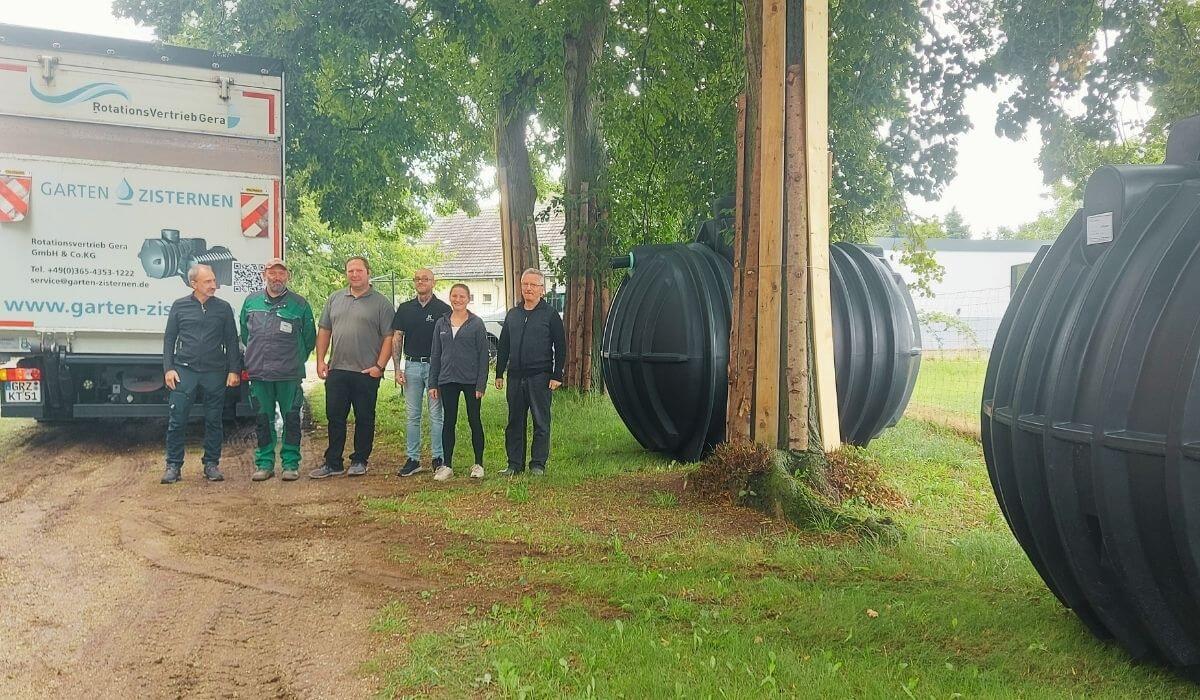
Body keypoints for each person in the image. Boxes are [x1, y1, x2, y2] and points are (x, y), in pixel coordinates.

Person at [309, 256, 396, 479]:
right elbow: (324, 330)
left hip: (366, 372)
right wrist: (320, 360)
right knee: (335, 417)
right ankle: (333, 462)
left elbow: (389, 337)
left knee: (364, 417)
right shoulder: (335, 299)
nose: (354, 274)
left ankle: (360, 460)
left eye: (359, 270)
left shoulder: (381, 303)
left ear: (368, 273)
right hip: (338, 370)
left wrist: (379, 366)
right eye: (350, 271)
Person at [160, 263, 242, 484]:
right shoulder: (180, 306)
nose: (214, 285)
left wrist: (234, 370)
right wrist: (168, 368)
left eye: (214, 280)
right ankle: (173, 466)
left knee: (214, 420)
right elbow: (169, 339)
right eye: (208, 281)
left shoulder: (223, 308)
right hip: (184, 371)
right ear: (193, 283)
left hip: (214, 372)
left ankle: (211, 464)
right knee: (177, 420)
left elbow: (232, 341)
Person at [240, 258, 317, 482]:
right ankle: (264, 464)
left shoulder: (299, 304)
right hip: (259, 374)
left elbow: (308, 339)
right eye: (272, 273)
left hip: (289, 375)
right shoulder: (251, 302)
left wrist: (295, 360)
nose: (277, 278)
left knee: (291, 418)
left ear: (288, 277)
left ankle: (290, 464)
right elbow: (245, 334)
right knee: (263, 420)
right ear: (265, 274)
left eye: (281, 274)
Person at [494, 268, 566, 477]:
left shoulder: (550, 315)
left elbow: (560, 346)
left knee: (540, 422)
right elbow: (504, 345)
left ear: (541, 290)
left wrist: (556, 374)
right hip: (515, 377)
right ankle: (514, 464)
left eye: (533, 285)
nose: (528, 288)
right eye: (525, 284)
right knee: (514, 422)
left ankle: (538, 464)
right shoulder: (513, 314)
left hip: (540, 377)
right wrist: (499, 373)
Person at [391, 268, 451, 477]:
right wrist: (398, 368)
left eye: (425, 279)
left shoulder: (444, 309)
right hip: (412, 366)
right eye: (417, 279)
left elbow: (449, 340)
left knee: (436, 415)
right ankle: (413, 459)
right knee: (412, 415)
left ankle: (438, 458)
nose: (421, 282)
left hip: (436, 367)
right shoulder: (405, 308)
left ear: (433, 282)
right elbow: (397, 337)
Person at [428, 283, 490, 481]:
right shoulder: (441, 323)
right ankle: (447, 465)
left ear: (468, 299)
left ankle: (478, 464)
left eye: (462, 296)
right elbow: (435, 354)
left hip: (471, 380)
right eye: (454, 296)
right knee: (449, 421)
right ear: (450, 298)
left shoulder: (477, 323)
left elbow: (483, 356)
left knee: (474, 420)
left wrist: (481, 384)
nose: (458, 299)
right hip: (447, 379)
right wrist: (432, 383)